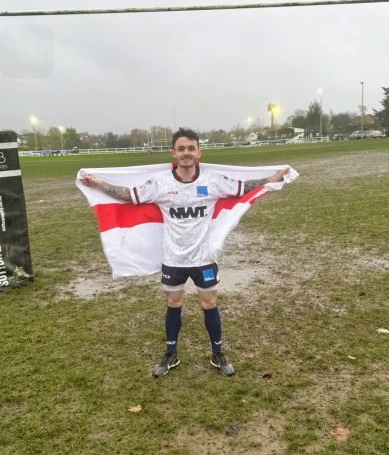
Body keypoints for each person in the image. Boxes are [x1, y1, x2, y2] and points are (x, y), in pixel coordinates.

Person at [81, 127, 288, 378]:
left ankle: (217, 353)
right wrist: (98, 183)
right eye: (181, 149)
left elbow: (244, 187)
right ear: (174, 153)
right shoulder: (160, 183)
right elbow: (129, 196)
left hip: (204, 259)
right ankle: (171, 354)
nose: (186, 153)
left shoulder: (213, 182)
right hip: (174, 259)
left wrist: (273, 178)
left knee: (209, 304)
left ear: (198, 152)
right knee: (173, 304)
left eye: (191, 148)